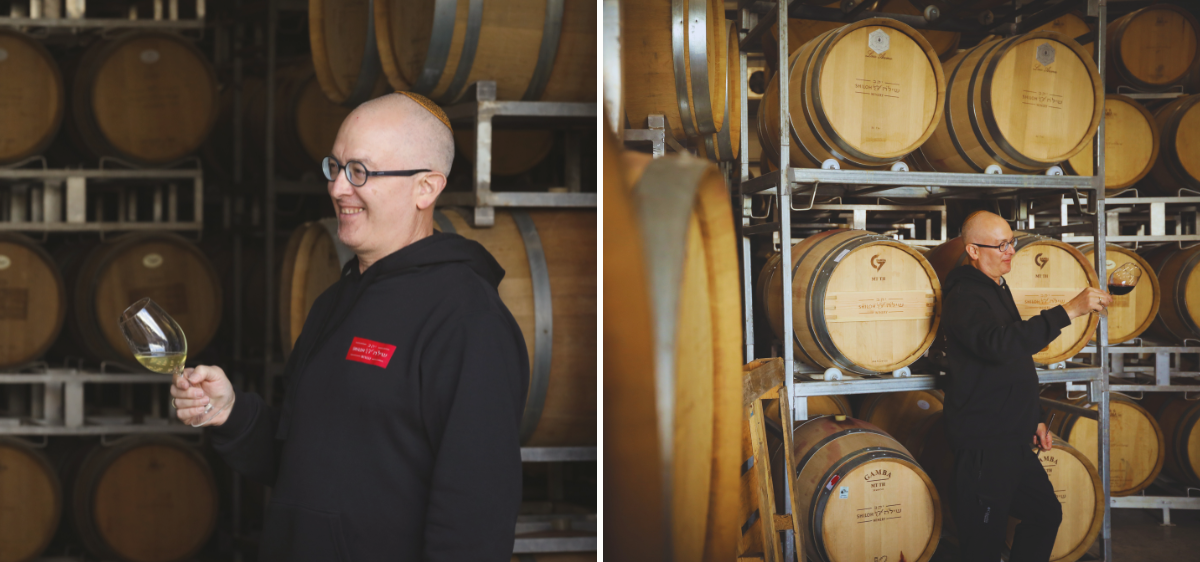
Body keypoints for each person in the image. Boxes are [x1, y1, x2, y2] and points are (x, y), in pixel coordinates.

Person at [169, 92, 530, 562]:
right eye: (335, 167)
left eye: (360, 172)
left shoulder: (467, 321)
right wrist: (231, 413)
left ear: (426, 188)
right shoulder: (334, 302)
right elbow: (304, 463)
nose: (338, 188)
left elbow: (476, 518)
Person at [938, 211, 1110, 562]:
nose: (1010, 250)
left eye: (1011, 242)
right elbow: (998, 344)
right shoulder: (965, 295)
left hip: (1012, 438)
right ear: (973, 250)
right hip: (984, 443)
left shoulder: (997, 288)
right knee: (982, 546)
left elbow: (1014, 360)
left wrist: (1034, 417)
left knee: (1046, 514)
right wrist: (1069, 311)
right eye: (1000, 245)